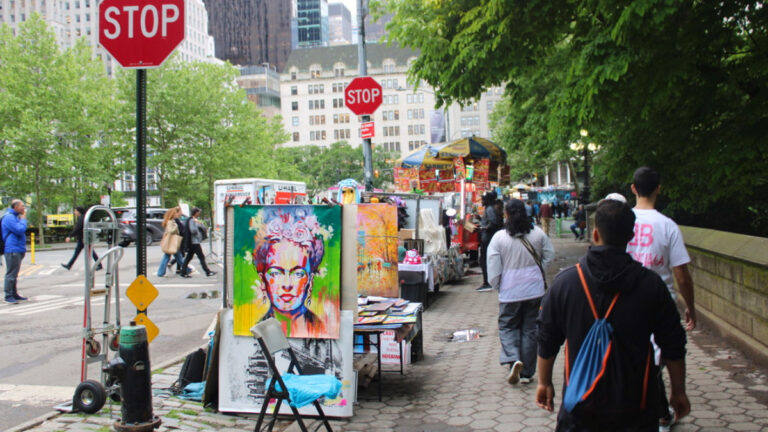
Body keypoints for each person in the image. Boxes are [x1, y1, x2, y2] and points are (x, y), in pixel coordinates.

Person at [535, 199, 689, 431]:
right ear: (630, 237)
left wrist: (544, 382)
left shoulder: (565, 284)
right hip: (636, 408)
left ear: (595, 234)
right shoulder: (650, 285)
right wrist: (678, 391)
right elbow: (673, 343)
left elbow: (547, 338)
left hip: (581, 410)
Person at [626, 166, 695, 431]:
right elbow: (682, 275)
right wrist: (690, 307)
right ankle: (658, 412)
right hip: (661, 302)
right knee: (657, 358)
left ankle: (652, 411)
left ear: (633, 188)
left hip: (626, 299)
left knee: (637, 357)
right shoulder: (668, 226)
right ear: (659, 189)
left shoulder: (622, 222)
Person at [487, 199, 554, 385]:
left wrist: (497, 284)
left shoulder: (499, 237)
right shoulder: (538, 234)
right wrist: (539, 272)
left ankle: (513, 358)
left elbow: (493, 265)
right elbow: (549, 255)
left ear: (506, 214)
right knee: (530, 330)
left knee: (508, 326)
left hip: (510, 291)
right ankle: (526, 373)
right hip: (535, 290)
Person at [251, 206, 327, 337]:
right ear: (263, 280)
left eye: (298, 274)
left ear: (310, 280)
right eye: (276, 273)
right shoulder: (257, 331)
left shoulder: (322, 329)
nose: (287, 284)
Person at [477, 191, 503, 292]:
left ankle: (487, 283)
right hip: (488, 238)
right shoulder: (490, 208)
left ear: (487, 200)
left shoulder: (489, 209)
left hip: (488, 239)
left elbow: (494, 223)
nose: (482, 201)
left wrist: (484, 228)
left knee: (484, 260)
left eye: (483, 199)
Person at [3, 200, 28, 304]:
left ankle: (14, 293)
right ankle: (8, 295)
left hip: (18, 248)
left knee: (15, 273)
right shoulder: (9, 217)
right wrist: (23, 220)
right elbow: (19, 229)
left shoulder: (15, 217)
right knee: (11, 273)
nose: (24, 208)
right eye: (22, 206)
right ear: (16, 207)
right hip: (12, 249)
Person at [61, 206, 102, 271]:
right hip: (83, 238)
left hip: (83, 239)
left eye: (75, 211)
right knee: (87, 252)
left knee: (85, 252)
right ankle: (69, 265)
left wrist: (69, 236)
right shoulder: (84, 217)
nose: (74, 212)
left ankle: (69, 265)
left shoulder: (81, 219)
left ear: (79, 211)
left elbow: (77, 229)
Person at [180, 208, 216, 278]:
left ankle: (183, 272)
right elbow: (193, 230)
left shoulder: (192, 220)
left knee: (189, 257)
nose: (199, 214)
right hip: (194, 242)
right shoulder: (192, 220)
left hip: (192, 242)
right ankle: (207, 272)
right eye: (198, 212)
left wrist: (199, 224)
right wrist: (198, 230)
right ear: (195, 213)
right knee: (201, 257)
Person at [158, 207, 186, 278]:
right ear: (172, 214)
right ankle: (161, 272)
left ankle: (186, 269)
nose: (176, 214)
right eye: (175, 213)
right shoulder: (171, 222)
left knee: (178, 256)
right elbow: (170, 231)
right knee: (172, 256)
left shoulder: (171, 221)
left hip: (171, 241)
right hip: (172, 241)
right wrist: (176, 226)